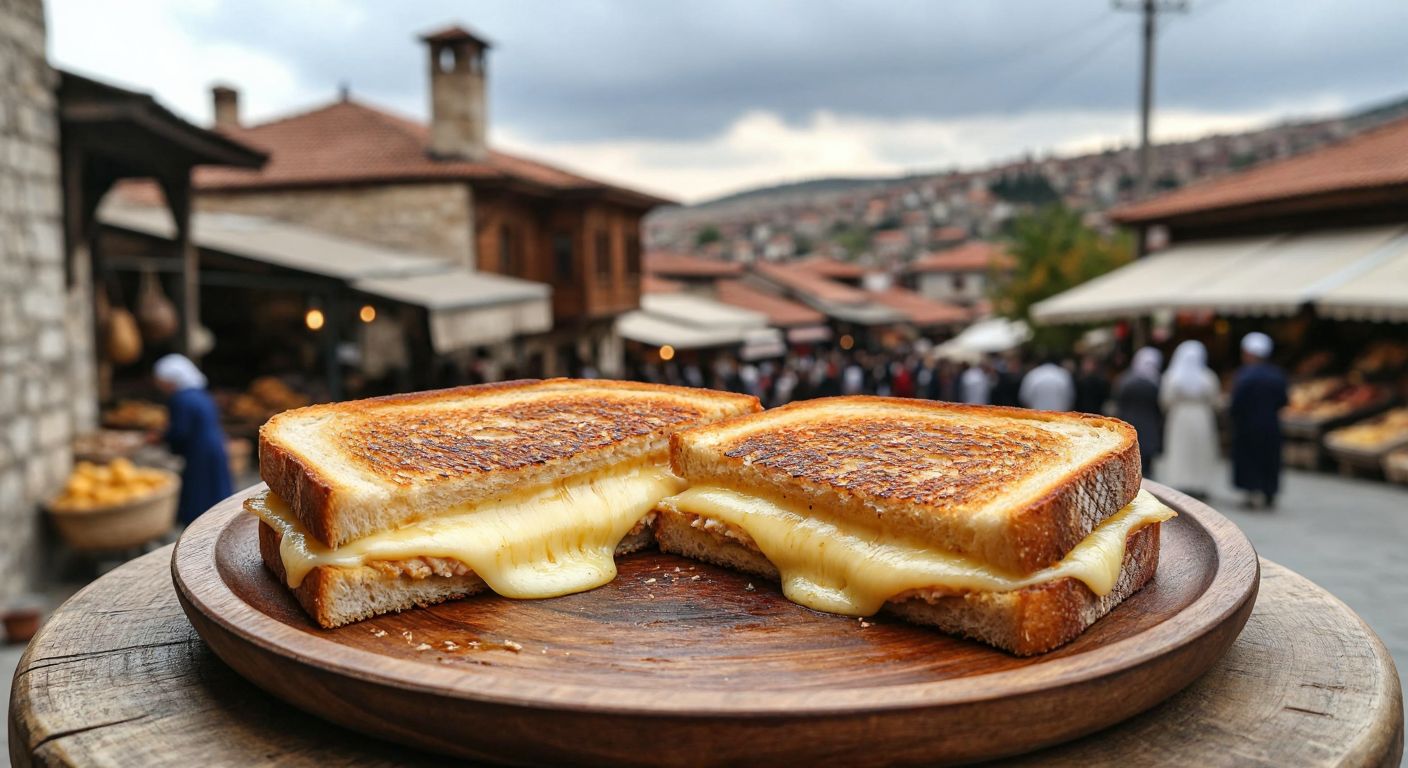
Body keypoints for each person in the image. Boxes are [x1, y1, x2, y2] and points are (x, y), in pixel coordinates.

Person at [154, 354, 232, 525]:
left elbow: (180, 431)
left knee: (199, 493)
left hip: (199, 450)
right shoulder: (200, 394)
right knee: (216, 488)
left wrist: (161, 437)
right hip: (214, 445)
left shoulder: (181, 398)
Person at [1230, 332, 1289, 509]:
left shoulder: (1244, 375)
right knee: (1269, 458)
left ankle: (1251, 491)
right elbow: (1283, 400)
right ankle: (1269, 492)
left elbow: (1237, 402)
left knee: (1249, 458)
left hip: (1247, 425)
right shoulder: (1277, 374)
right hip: (1271, 424)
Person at [1159, 340, 1220, 499]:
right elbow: (1215, 400)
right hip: (1201, 415)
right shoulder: (1208, 377)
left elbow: (1165, 400)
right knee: (1201, 450)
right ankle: (1200, 483)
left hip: (1180, 416)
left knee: (1181, 449)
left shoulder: (1172, 376)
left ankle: (1181, 482)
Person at [1115, 347, 1164, 479]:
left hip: (1130, 424)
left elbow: (1120, 402)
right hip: (1149, 426)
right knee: (1146, 464)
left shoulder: (1126, 380)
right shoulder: (1156, 382)